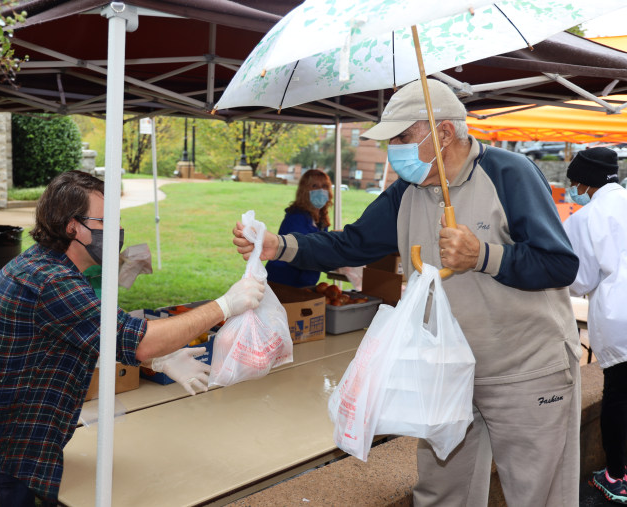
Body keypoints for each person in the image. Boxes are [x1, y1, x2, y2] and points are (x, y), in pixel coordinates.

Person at [233, 79, 582, 506]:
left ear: (444, 133)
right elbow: (352, 244)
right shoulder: (407, 191)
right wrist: (279, 246)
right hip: (446, 370)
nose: (392, 149)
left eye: (401, 137)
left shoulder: (509, 174)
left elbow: (560, 263)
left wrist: (484, 255)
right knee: (440, 492)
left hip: (525, 369)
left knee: (537, 494)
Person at [0, 170, 265, 506]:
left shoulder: (46, 266)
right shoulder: (51, 282)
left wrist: (158, 358)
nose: (116, 231)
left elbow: (88, 332)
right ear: (72, 226)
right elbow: (136, 339)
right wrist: (224, 305)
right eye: (105, 221)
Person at [562, 147, 627, 504]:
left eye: (574, 182)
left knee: (617, 397)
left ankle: (616, 476)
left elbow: (580, 281)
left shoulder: (586, 219)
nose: (573, 189)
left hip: (621, 320)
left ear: (584, 182)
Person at [266, 168, 332, 287]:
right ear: (305, 191)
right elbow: (303, 251)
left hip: (304, 282)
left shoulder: (321, 219)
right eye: (314, 186)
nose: (321, 190)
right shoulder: (296, 217)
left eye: (324, 186)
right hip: (283, 281)